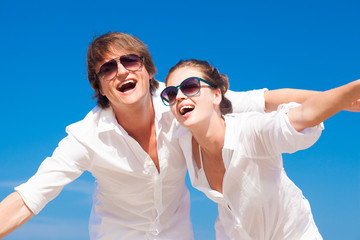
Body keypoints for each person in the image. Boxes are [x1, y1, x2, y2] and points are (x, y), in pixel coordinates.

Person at [0, 32, 357, 239]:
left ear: (146, 69)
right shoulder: (85, 138)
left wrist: (339, 102)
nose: (121, 70)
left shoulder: (179, 101)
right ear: (101, 88)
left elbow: (265, 100)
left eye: (131, 61)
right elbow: (29, 196)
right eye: (108, 68)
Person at [161, 59, 360, 240]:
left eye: (190, 87)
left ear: (216, 95)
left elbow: (304, 114)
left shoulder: (250, 132)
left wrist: (351, 94)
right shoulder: (182, 139)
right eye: (171, 93)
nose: (178, 96)